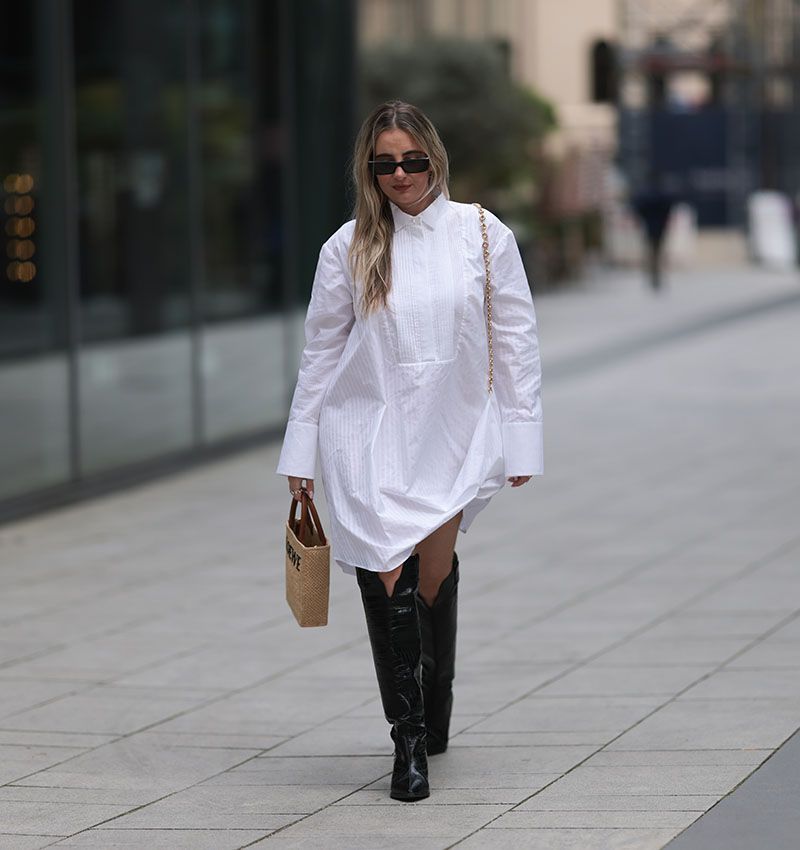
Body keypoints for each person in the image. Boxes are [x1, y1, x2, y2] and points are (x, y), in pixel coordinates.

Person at [276, 100, 543, 801]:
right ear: (369, 169)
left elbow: (516, 341)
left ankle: (437, 703)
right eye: (384, 163)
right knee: (385, 577)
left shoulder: (483, 235)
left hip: (452, 435)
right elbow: (320, 354)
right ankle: (409, 744)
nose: (400, 174)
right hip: (366, 435)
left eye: (412, 160)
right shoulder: (348, 247)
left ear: (435, 157)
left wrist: (522, 438)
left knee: (431, 575)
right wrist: (300, 458)